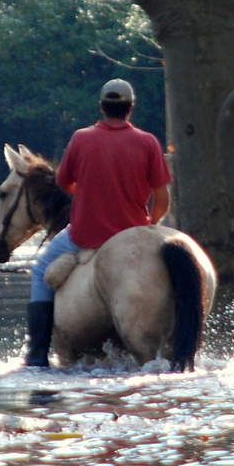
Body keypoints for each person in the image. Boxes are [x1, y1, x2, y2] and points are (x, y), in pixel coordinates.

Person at [24, 78, 172, 367]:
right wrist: (150, 226)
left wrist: (92, 189)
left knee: (41, 270)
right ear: (130, 108)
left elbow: (64, 183)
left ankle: (38, 355)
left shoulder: (81, 138)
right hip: (132, 232)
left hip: (84, 236)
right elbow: (162, 199)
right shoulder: (148, 142)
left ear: (102, 107)